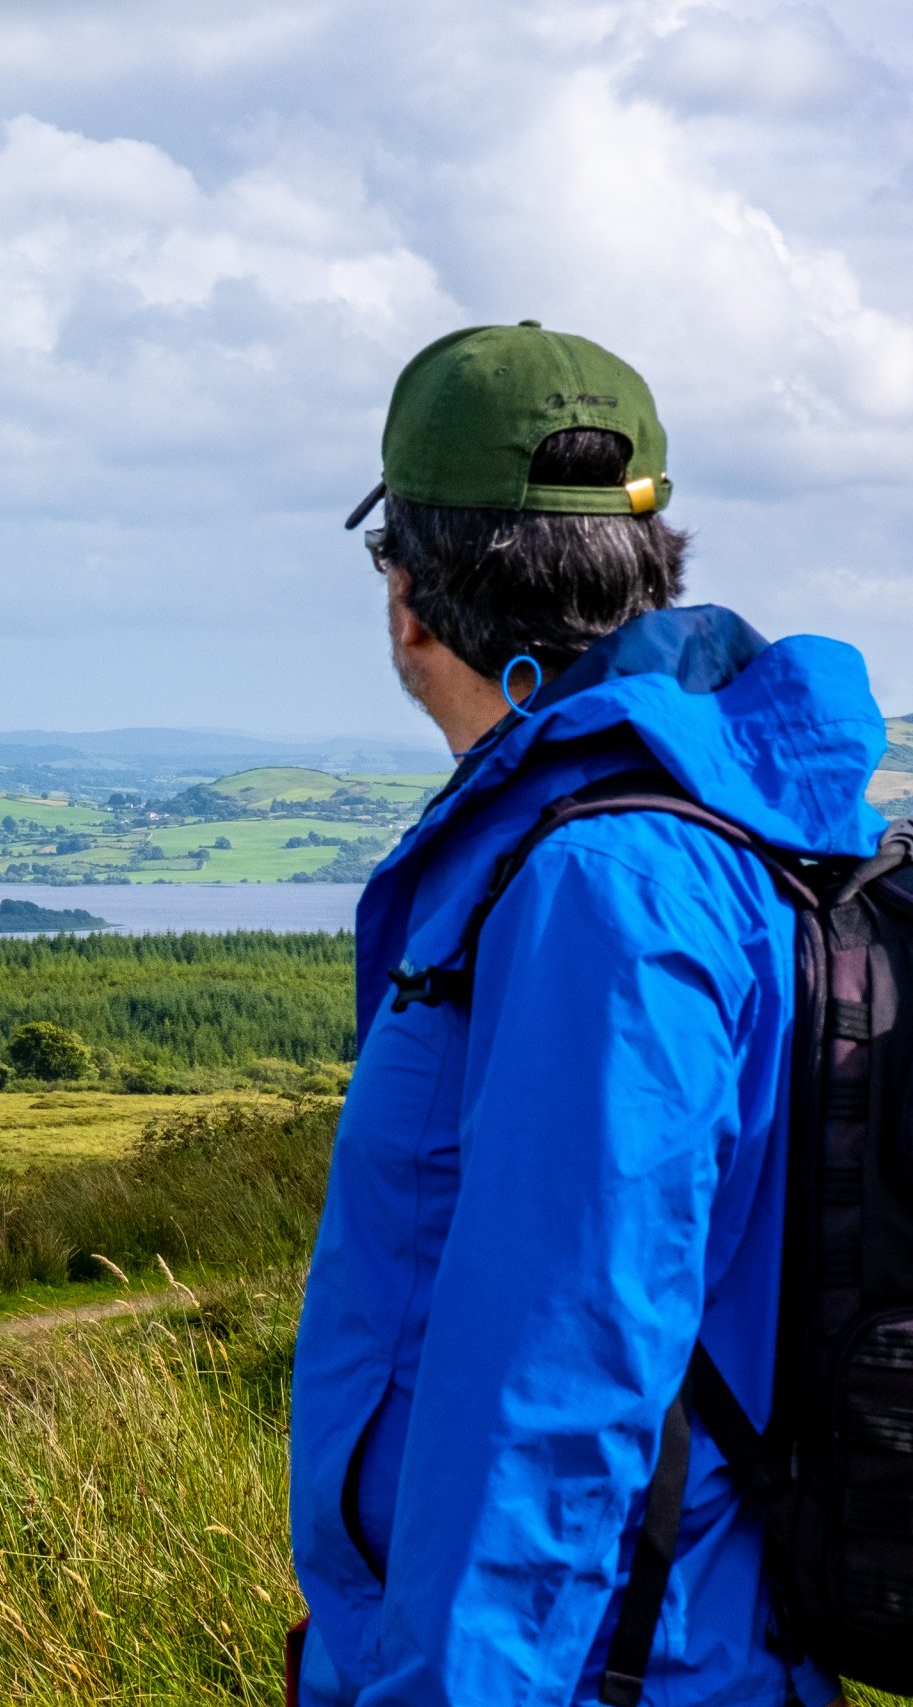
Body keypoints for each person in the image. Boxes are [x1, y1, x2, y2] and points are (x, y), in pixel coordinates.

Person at [288, 323, 886, 1706]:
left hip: (624, 1671)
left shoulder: (602, 883)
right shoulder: (724, 824)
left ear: (410, 594)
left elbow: (553, 1395)